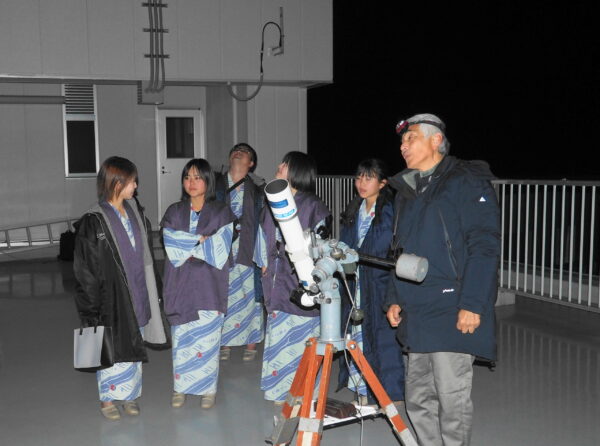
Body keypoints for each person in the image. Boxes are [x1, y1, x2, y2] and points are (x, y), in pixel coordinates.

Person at [385, 114, 500, 446]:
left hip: (452, 304)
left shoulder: (466, 181)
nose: (403, 146)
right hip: (416, 307)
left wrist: (473, 303)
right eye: (402, 141)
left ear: (436, 140)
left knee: (452, 398)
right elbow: (399, 251)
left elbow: (484, 244)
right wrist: (394, 296)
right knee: (418, 397)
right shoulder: (406, 189)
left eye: (411, 138)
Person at [73, 156, 169, 421]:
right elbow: (85, 269)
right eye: (131, 181)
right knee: (112, 347)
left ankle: (130, 396)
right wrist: (90, 308)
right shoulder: (94, 220)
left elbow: (145, 255)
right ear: (116, 183)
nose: (136, 186)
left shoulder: (134, 210)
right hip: (110, 296)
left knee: (134, 341)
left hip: (137, 290)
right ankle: (107, 399)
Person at [254, 151, 331, 404]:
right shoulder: (273, 202)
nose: (279, 166)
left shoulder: (314, 206)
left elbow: (321, 247)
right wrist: (263, 263)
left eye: (285, 164)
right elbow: (262, 237)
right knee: (279, 338)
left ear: (297, 171)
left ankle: (303, 392)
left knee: (301, 339)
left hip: (300, 284)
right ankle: (280, 390)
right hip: (275, 281)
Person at [161, 158, 236, 409]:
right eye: (187, 177)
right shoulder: (174, 211)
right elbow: (170, 242)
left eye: (197, 177)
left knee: (208, 337)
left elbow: (221, 247)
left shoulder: (221, 212)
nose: (191, 183)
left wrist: (189, 244)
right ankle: (180, 387)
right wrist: (200, 240)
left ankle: (207, 389)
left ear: (208, 180)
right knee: (182, 337)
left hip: (209, 284)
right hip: (180, 282)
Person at [337, 159, 404, 406]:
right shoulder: (354, 208)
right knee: (356, 336)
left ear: (383, 183)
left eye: (369, 178)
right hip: (355, 284)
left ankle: (390, 394)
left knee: (383, 340)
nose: (361, 183)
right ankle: (362, 388)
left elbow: (385, 248)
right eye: (359, 177)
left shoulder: (389, 211)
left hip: (378, 284)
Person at [215, 143, 265, 362]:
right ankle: (224, 341)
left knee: (250, 294)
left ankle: (251, 341)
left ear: (251, 163)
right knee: (223, 293)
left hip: (248, 246)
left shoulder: (258, 189)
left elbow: (264, 222)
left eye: (244, 152)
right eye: (235, 150)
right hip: (221, 248)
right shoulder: (215, 185)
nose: (238, 152)